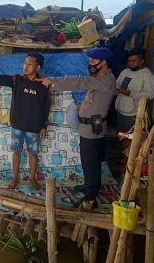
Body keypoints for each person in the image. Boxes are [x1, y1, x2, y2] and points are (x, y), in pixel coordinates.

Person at [38, 47, 116, 211]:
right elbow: (93, 99)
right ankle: (89, 185)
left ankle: (91, 195)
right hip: (87, 127)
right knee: (87, 160)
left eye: (94, 61)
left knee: (91, 162)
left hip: (93, 129)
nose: (91, 63)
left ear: (104, 62)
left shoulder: (107, 79)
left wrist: (53, 82)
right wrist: (81, 106)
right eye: (90, 61)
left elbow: (81, 82)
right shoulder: (99, 77)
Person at [0, 53, 51, 190]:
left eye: (30, 64)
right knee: (16, 152)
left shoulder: (43, 85)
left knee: (32, 154)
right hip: (17, 125)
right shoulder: (16, 80)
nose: (26, 66)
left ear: (38, 67)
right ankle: (15, 178)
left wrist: (44, 126)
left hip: (34, 127)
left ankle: (32, 179)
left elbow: (46, 106)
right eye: (25, 63)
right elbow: (1, 79)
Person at [115, 48, 154, 135]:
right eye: (129, 61)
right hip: (120, 110)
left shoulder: (147, 75)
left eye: (133, 61)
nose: (130, 63)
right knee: (120, 136)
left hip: (133, 114)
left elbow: (150, 95)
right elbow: (116, 85)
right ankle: (120, 147)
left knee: (129, 138)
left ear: (142, 61)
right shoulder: (125, 72)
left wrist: (131, 93)